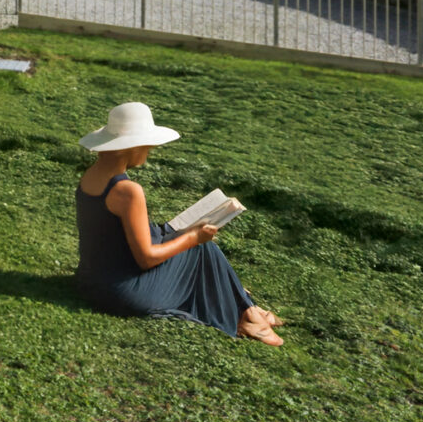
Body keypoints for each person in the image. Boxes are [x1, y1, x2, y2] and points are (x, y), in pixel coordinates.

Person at [74, 101, 283, 344]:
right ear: (133, 147)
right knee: (204, 248)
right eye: (148, 146)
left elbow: (113, 236)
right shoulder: (128, 191)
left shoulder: (90, 176)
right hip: (121, 293)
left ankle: (249, 311)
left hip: (91, 281)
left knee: (185, 240)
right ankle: (249, 316)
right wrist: (194, 238)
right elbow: (146, 258)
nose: (149, 151)